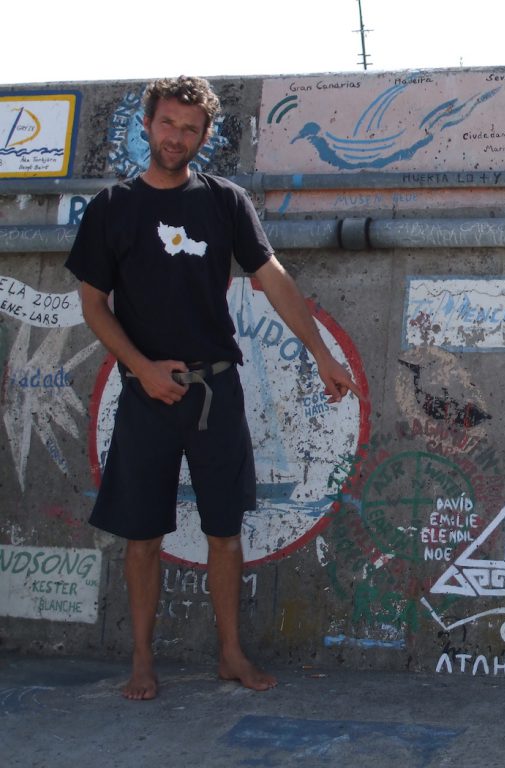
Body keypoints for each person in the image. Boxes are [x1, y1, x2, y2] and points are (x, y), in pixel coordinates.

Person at [65, 75, 364, 700]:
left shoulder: (224, 201)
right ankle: (142, 659)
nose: (177, 137)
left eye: (190, 128)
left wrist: (320, 352)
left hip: (215, 392)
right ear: (148, 125)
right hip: (146, 393)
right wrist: (142, 369)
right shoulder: (113, 207)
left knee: (224, 532)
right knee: (142, 537)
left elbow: (271, 276)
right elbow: (94, 305)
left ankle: (230, 653)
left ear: (205, 136)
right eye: (168, 124)